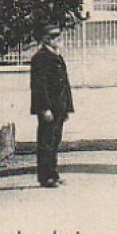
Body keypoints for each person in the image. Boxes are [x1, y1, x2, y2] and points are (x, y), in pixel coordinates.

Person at [29, 25, 74, 188]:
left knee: (55, 141)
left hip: (59, 106)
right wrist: (44, 108)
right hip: (48, 107)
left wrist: (68, 107)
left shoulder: (57, 56)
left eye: (59, 37)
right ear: (46, 39)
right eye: (55, 37)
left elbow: (65, 84)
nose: (59, 40)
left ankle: (53, 174)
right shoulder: (40, 58)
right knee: (46, 142)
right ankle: (45, 177)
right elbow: (39, 86)